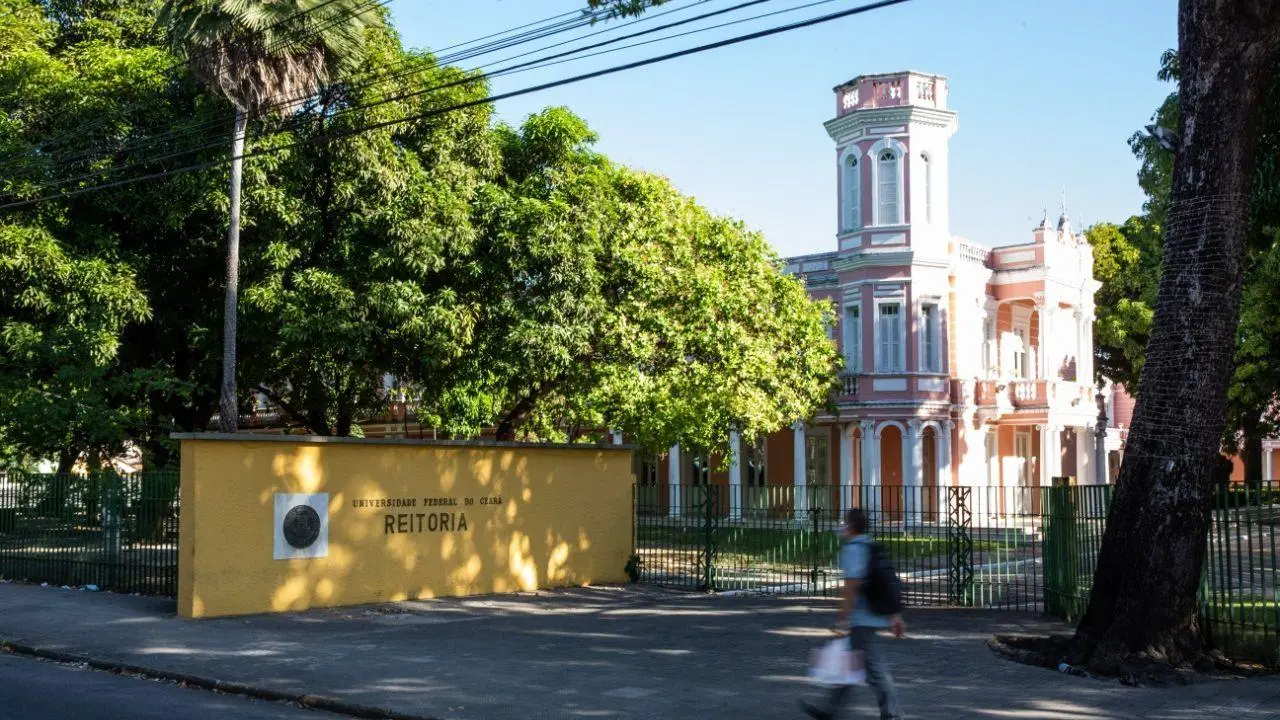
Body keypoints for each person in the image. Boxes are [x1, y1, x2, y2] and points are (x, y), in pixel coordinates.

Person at [802, 508, 905, 720]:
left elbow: (852, 585)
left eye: (844, 523)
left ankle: (893, 714)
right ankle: (830, 710)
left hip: (862, 618)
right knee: (848, 663)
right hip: (872, 615)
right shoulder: (870, 546)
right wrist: (895, 615)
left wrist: (842, 617)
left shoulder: (853, 549)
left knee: (874, 671)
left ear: (850, 526)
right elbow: (886, 582)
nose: (841, 527)